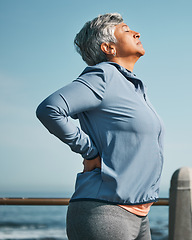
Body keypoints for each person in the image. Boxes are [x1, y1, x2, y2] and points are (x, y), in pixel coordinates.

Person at [36, 13, 164, 240]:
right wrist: (89, 150)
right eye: (126, 30)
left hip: (139, 214)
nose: (137, 33)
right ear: (109, 48)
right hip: (104, 211)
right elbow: (50, 109)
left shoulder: (132, 86)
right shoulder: (103, 76)